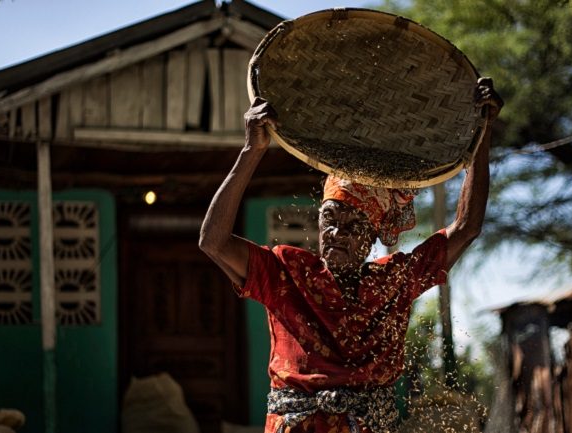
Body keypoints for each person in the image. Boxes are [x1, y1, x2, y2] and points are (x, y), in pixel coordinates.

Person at [199, 78, 503, 433]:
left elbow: (466, 228)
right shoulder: (288, 270)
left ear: (372, 236)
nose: (336, 233)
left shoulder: (393, 281)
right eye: (329, 220)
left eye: (353, 225)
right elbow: (214, 242)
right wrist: (251, 150)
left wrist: (484, 131)